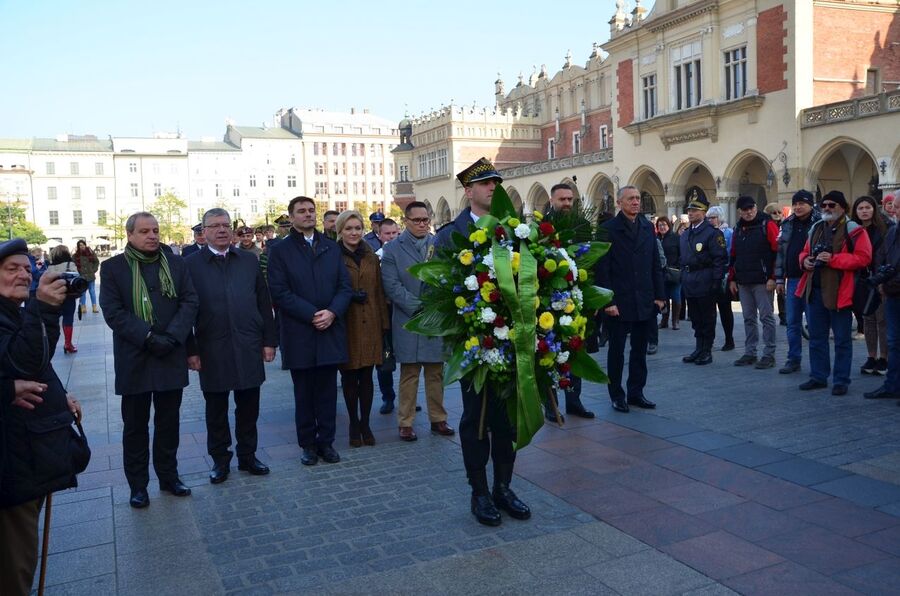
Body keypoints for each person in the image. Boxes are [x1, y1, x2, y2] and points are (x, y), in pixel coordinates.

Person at [435, 158, 529, 527]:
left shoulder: (513, 229)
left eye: (496, 182)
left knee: (507, 419)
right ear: (468, 190)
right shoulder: (449, 235)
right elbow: (435, 293)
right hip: (473, 344)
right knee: (476, 420)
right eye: (486, 183)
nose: (493, 188)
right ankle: (479, 492)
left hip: (511, 342)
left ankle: (503, 487)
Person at [0, 239, 84, 596]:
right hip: (9, 466)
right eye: (10, 269)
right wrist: (44, 310)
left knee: (21, 558)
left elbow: (38, 363)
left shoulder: (14, 310)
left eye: (25, 267)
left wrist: (57, 394)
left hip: (25, 455)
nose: (23, 273)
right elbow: (20, 362)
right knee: (13, 568)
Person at [100, 212, 199, 508]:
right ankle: (138, 485)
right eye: (144, 231)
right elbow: (113, 311)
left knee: (169, 423)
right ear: (129, 235)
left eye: (155, 230)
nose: (152, 235)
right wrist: (147, 337)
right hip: (135, 357)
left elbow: (190, 301)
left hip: (170, 353)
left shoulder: (177, 264)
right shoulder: (113, 268)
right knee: (135, 426)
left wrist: (172, 337)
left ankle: (169, 477)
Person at [184, 209, 276, 484]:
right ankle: (220, 461)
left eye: (226, 225)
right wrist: (191, 349)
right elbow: (184, 311)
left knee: (249, 406)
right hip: (211, 347)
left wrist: (269, 341)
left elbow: (264, 301)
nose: (222, 230)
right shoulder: (189, 265)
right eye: (215, 226)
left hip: (248, 344)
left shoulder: (248, 261)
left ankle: (248, 456)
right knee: (216, 409)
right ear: (204, 231)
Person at [267, 197, 351, 466]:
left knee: (327, 392)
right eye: (301, 211)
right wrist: (312, 314)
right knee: (303, 393)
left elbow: (344, 287)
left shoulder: (330, 247)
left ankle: (326, 442)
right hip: (299, 332)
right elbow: (279, 291)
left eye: (311, 210)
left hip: (329, 329)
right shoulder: (280, 251)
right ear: (291, 217)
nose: (307, 215)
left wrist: (333, 312)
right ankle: (308, 445)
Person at [381, 201, 454, 441]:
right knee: (409, 374)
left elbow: (450, 277)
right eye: (417, 220)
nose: (423, 224)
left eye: (426, 219)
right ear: (406, 221)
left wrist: (436, 307)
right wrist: (420, 308)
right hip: (408, 319)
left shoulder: (439, 244)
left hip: (436, 318)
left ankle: (438, 419)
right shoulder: (392, 248)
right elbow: (391, 286)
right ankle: (405, 422)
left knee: (435, 373)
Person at [596, 186, 665, 413]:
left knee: (639, 350)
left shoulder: (647, 227)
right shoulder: (608, 229)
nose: (636, 202)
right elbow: (602, 269)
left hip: (644, 298)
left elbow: (656, 263)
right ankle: (617, 394)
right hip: (619, 300)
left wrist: (659, 296)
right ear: (619, 202)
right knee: (616, 351)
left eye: (637, 198)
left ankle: (636, 392)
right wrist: (607, 301)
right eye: (631, 199)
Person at [796, 191, 872, 396]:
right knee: (817, 338)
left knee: (842, 340)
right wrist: (805, 261)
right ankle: (818, 376)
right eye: (824, 205)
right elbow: (804, 251)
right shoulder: (816, 228)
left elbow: (864, 258)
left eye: (832, 205)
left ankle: (841, 380)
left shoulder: (853, 230)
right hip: (816, 290)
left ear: (842, 207)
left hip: (841, 292)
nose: (827, 208)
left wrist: (834, 259)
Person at [336, 210, 390, 446]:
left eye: (357, 228)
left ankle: (365, 423)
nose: (354, 232)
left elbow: (379, 291)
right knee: (349, 377)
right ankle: (353, 424)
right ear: (340, 231)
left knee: (367, 376)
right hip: (346, 323)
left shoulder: (370, 255)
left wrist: (384, 325)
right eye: (348, 228)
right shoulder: (332, 255)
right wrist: (347, 298)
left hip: (370, 322)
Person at [542, 183, 595, 420]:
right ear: (552, 200)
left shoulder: (581, 224)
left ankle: (574, 400)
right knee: (549, 352)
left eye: (570, 199)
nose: (567, 203)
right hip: (547, 298)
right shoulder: (540, 226)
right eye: (562, 199)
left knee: (574, 348)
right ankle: (550, 404)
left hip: (575, 296)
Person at [728, 196, 780, 369]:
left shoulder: (767, 225)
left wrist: (773, 277)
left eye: (751, 208)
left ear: (756, 207)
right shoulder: (738, 228)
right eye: (744, 209)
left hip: (763, 281)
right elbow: (734, 255)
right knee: (748, 318)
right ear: (739, 212)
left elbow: (776, 252)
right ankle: (750, 352)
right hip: (743, 281)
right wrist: (733, 278)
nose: (748, 212)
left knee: (766, 317)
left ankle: (769, 354)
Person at [774, 190, 820, 374]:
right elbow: (781, 253)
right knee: (792, 322)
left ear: (810, 204)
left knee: (814, 322)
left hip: (812, 279)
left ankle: (817, 364)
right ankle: (793, 359)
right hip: (792, 279)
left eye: (802, 203)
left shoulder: (819, 223)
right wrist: (779, 278)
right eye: (796, 203)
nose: (798, 207)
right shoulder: (787, 223)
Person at [680, 196, 728, 366]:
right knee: (695, 317)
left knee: (707, 317)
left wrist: (716, 280)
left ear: (703, 212)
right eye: (689, 210)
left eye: (694, 210)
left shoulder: (713, 233)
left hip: (705, 279)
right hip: (689, 280)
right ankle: (698, 348)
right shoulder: (686, 234)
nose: (690, 213)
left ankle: (707, 350)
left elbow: (719, 259)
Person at [851, 195, 893, 376]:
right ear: (856, 211)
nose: (864, 211)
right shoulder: (853, 230)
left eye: (868, 207)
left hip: (880, 279)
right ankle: (871, 356)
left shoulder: (885, 228)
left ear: (874, 209)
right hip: (862, 280)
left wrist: (883, 278)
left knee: (882, 319)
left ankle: (884, 358)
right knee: (867, 318)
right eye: (860, 208)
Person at [864, 193, 900, 400]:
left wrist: (889, 283)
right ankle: (892, 385)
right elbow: (881, 258)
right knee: (894, 342)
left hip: (893, 290)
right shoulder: (893, 231)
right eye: (892, 206)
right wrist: (881, 281)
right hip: (892, 295)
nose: (892, 210)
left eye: (896, 206)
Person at [375, 217, 400, 415]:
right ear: (379, 235)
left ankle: (408, 397)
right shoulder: (376, 258)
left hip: (403, 313)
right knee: (385, 359)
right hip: (385, 315)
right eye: (387, 233)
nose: (391, 237)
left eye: (394, 233)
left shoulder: (406, 255)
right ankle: (388, 397)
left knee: (409, 361)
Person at [706, 206, 735, 351]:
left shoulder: (729, 233)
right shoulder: (706, 233)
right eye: (709, 218)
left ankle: (729, 339)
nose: (711, 220)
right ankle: (708, 341)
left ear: (720, 218)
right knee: (710, 311)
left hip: (724, 275)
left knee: (725, 309)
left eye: (713, 217)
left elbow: (730, 253)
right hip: (709, 275)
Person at [46, 245, 80, 354]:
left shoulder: (50, 267)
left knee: (54, 320)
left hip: (54, 296)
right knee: (68, 319)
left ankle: (50, 343)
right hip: (68, 296)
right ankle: (68, 344)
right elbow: (77, 279)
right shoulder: (70, 264)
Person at [764, 204, 788, 325]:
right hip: (772, 262)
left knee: (782, 290)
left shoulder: (785, 225)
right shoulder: (769, 225)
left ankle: (784, 315)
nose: (778, 215)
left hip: (781, 262)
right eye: (774, 213)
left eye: (779, 212)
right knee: (772, 290)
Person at [657, 218, 681, 330]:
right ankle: (664, 320)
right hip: (660, 273)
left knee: (676, 296)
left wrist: (679, 267)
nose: (662, 227)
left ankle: (675, 321)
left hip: (674, 272)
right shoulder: (656, 238)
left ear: (669, 225)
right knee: (663, 297)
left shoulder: (675, 238)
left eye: (664, 224)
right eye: (660, 225)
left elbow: (682, 253)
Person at [74, 240, 100, 314]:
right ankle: (83, 307)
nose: (82, 246)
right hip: (81, 277)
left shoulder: (91, 253)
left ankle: (94, 307)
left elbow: (96, 262)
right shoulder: (76, 255)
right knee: (82, 292)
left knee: (92, 291)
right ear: (78, 247)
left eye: (83, 245)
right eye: (80, 245)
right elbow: (73, 265)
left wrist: (93, 270)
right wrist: (77, 273)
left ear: (85, 245)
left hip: (90, 276)